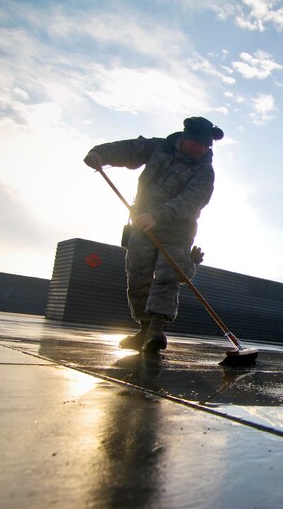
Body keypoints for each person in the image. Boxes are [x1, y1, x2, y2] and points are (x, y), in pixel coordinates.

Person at [83, 117, 224, 352]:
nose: (202, 149)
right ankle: (145, 327)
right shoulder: (158, 147)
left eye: (206, 146)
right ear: (184, 138)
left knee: (168, 277)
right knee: (138, 277)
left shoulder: (205, 170)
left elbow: (192, 201)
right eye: (198, 144)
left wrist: (158, 215)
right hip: (141, 226)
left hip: (177, 232)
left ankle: (157, 328)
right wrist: (100, 154)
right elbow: (128, 149)